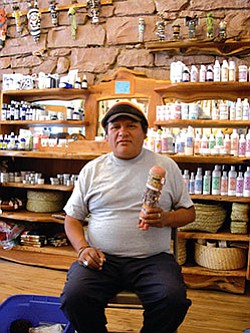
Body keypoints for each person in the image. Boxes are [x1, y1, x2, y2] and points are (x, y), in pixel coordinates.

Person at [60, 101, 196, 333]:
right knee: (74, 298)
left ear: (144, 133)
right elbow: (72, 218)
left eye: (131, 126)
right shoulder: (92, 170)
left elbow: (189, 213)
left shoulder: (166, 166)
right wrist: (83, 249)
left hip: (152, 259)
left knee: (172, 300)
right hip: (102, 258)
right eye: (115, 127)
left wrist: (165, 218)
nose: (123, 132)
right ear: (107, 136)